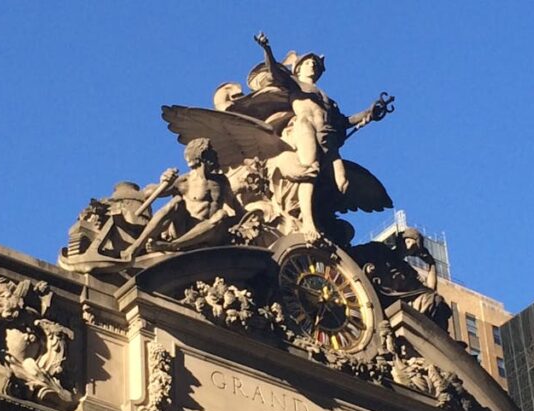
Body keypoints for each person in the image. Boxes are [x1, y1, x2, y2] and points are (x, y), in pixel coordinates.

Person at [254, 32, 376, 239]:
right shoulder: (295, 84)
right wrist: (267, 49)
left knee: (342, 182)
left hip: (328, 137)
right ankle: (308, 223)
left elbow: (344, 121)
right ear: (299, 67)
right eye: (308, 63)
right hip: (305, 127)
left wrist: (369, 113)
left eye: (316, 64)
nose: (312, 66)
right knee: (310, 171)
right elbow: (274, 70)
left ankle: (319, 214)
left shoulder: (327, 99)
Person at [123, 138, 238, 258]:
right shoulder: (184, 181)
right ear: (203, 155)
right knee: (176, 202)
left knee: (221, 214)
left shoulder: (221, 181)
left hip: (211, 235)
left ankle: (171, 246)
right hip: (185, 230)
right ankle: (136, 246)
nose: (216, 154)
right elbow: (148, 193)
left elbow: (236, 208)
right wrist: (164, 180)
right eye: (212, 151)